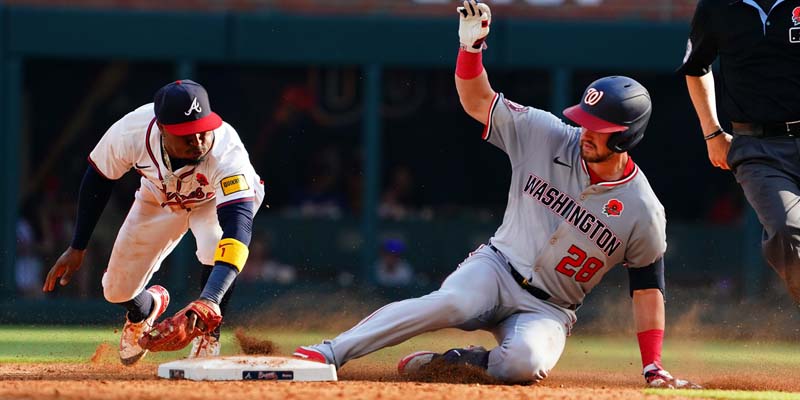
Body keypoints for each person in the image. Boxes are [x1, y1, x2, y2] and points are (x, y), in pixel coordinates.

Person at [293, 1, 697, 387]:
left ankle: (448, 363)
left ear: (626, 137)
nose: (586, 131)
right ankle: (330, 351)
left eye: (599, 127)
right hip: (496, 269)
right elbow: (478, 100)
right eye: (585, 120)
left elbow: (647, 289)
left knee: (525, 363)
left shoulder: (642, 210)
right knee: (450, 303)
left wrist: (653, 365)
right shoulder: (547, 134)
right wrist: (471, 50)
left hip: (549, 309)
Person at [42, 80, 265, 364]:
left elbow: (238, 229)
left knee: (215, 244)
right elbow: (99, 179)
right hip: (159, 196)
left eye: (202, 131)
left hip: (212, 200)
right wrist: (78, 246)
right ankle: (145, 309)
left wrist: (209, 300)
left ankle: (209, 333)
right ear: (161, 128)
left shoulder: (227, 153)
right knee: (115, 290)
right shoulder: (131, 131)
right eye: (186, 135)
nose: (197, 141)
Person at [680, 0, 800, 302]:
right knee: (787, 231)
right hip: (759, 147)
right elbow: (696, 66)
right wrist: (712, 132)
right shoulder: (717, 5)